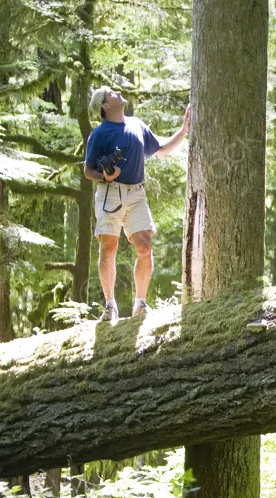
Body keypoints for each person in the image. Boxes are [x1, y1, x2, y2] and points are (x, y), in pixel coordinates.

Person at [84, 87, 190, 322]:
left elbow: (161, 150)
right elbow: (88, 170)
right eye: (110, 93)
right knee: (108, 248)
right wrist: (105, 177)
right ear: (105, 106)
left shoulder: (137, 124)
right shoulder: (99, 134)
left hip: (136, 193)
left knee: (144, 246)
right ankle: (110, 306)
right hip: (109, 193)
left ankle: (140, 305)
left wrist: (184, 131)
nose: (117, 92)